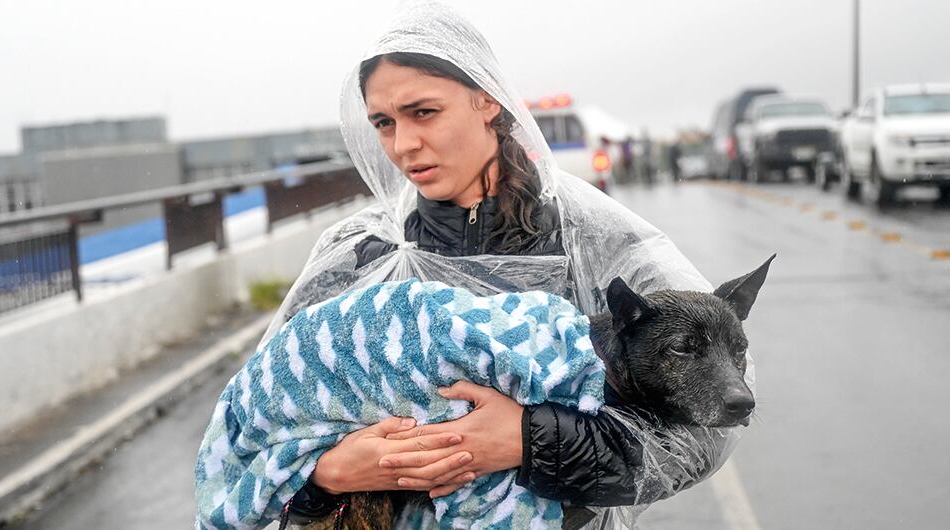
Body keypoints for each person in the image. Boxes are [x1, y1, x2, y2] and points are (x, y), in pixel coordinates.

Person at [254, 3, 749, 528]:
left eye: (423, 112)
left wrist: (529, 440)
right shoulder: (359, 255)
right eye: (383, 122)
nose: (403, 145)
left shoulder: (593, 242)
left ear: (486, 100)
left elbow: (704, 434)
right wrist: (329, 475)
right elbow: (260, 427)